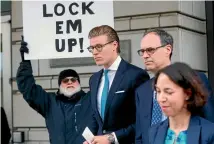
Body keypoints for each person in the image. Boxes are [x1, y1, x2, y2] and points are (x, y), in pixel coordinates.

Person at [135, 28, 214, 144]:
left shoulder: (195, 79)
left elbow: (209, 118)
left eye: (150, 50)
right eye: (142, 51)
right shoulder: (141, 91)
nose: (145, 55)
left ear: (168, 49)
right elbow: (140, 135)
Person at [16, 37, 93, 144]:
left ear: (79, 83)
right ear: (59, 86)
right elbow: (28, 89)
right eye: (65, 80)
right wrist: (25, 61)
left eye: (73, 79)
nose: (70, 82)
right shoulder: (50, 102)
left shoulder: (91, 100)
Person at [83, 25, 150, 144]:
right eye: (92, 48)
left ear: (114, 45)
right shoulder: (94, 79)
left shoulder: (136, 75)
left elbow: (143, 120)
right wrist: (91, 139)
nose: (94, 52)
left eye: (99, 47)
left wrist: (112, 138)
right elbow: (96, 116)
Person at [149, 62, 214, 144]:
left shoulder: (209, 132)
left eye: (168, 92)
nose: (161, 99)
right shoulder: (154, 131)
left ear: (187, 94)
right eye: (158, 91)